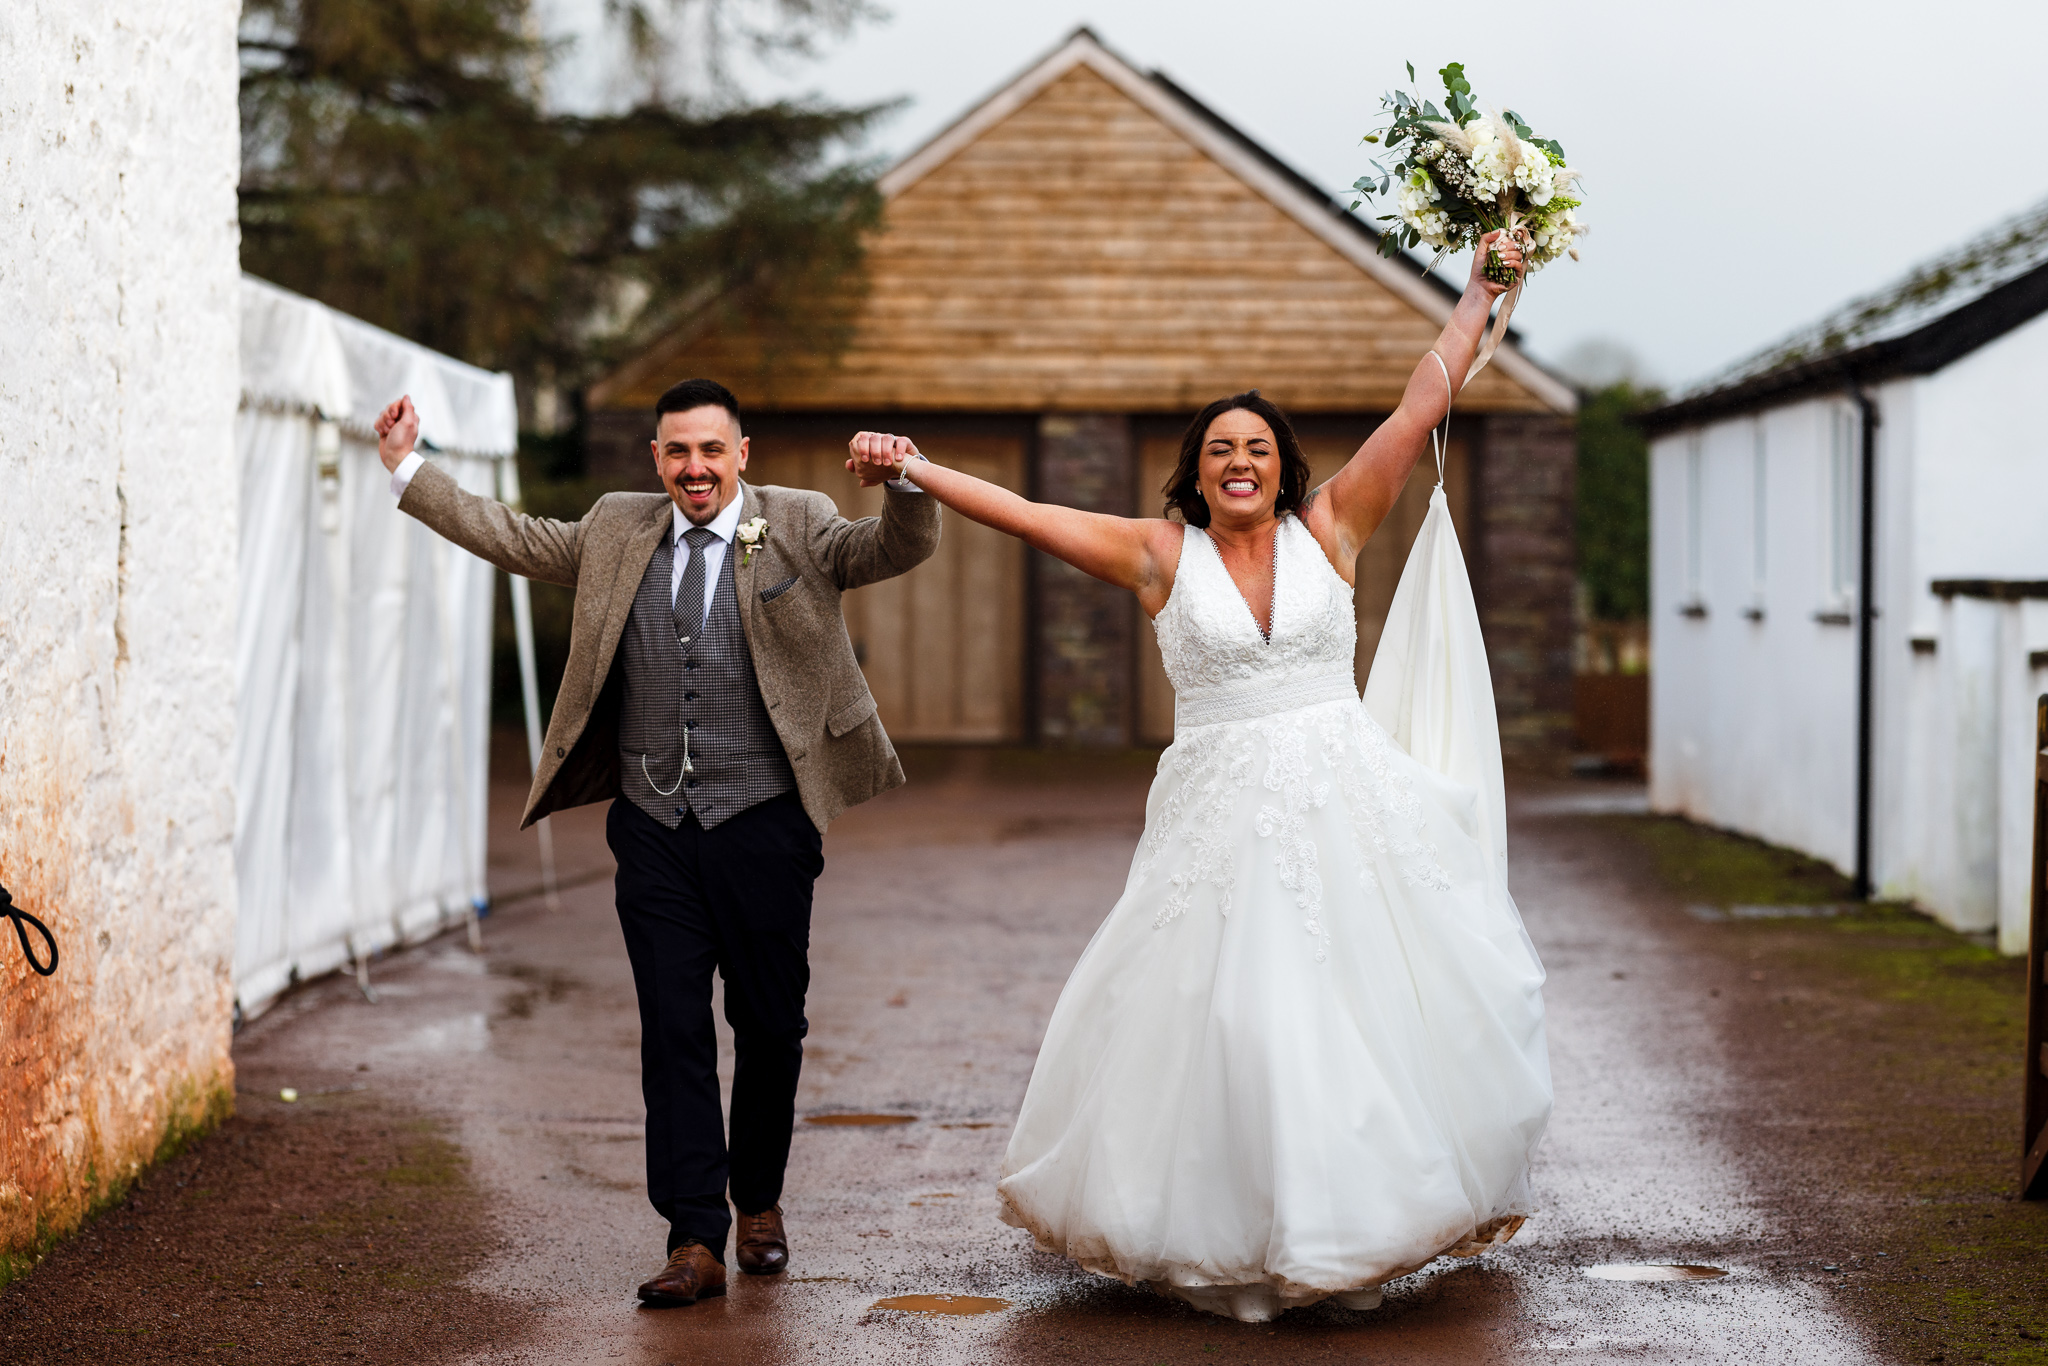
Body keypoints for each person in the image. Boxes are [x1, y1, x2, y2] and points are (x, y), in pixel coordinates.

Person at [844, 231, 1551, 1322]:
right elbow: (1030, 517)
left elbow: (1416, 407)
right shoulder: (1156, 554)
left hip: (1345, 808)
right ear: (1195, 467)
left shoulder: (1333, 527)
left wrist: (1476, 297)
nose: (1239, 459)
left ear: (1281, 465)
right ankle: (1237, 1239)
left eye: (1257, 446)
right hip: (1218, 822)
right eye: (1221, 446)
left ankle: (1352, 1228)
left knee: (1351, 1014)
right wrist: (915, 466)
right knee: (1236, 1024)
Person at [373, 378, 941, 1308]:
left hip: (766, 822)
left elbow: (892, 547)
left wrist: (907, 481)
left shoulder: (796, 521)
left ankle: (756, 1198)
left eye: (711, 451)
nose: (695, 469)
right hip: (654, 828)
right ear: (657, 461)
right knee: (673, 1029)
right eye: (677, 453)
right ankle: (694, 1236)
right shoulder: (616, 528)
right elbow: (515, 537)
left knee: (769, 1024)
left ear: (741, 455)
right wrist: (409, 470)